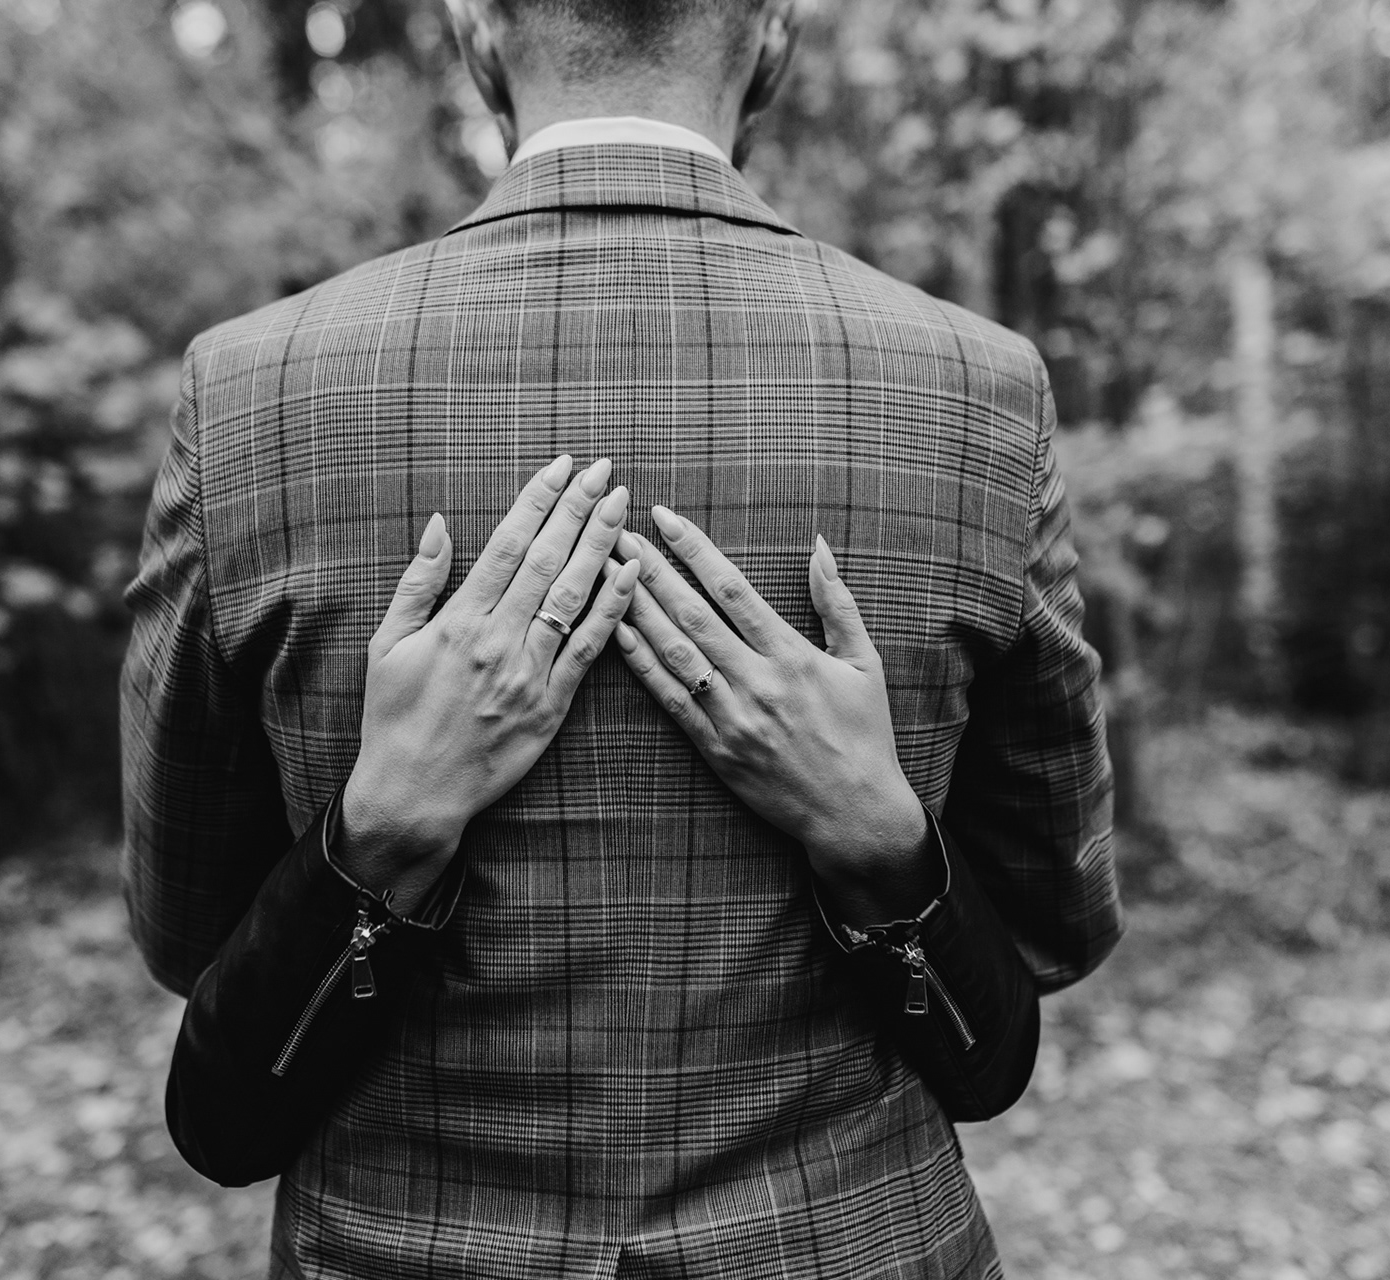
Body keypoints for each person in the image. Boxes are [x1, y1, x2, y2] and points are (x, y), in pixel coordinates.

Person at [120, 0, 1121, 1274]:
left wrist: (870, 825)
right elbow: (1048, 931)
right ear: (775, 36)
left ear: (476, 33)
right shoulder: (977, 391)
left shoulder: (252, 391)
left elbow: (187, 931)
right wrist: (390, 823)